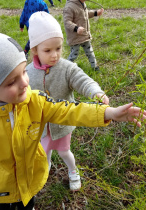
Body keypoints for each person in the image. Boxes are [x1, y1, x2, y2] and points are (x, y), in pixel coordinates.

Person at [0, 25, 146, 210]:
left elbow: (69, 110)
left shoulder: (34, 101)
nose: (24, 83)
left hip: (30, 182)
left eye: (23, 72)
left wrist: (109, 113)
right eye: (12, 81)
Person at [27, 11, 109, 191]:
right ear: (34, 50)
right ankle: (44, 171)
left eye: (58, 48)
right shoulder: (27, 72)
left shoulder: (66, 68)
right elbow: (21, 93)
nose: (55, 55)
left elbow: (83, 80)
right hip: (40, 125)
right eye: (47, 50)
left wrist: (96, 92)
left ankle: (73, 170)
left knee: (64, 151)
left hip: (63, 123)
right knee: (43, 151)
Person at [63, 0, 104, 71]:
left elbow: (85, 14)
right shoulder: (69, 7)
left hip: (84, 35)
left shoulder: (81, 3)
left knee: (90, 51)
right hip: (75, 37)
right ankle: (66, 68)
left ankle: (94, 66)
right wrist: (76, 28)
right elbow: (67, 22)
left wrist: (95, 13)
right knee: (74, 54)